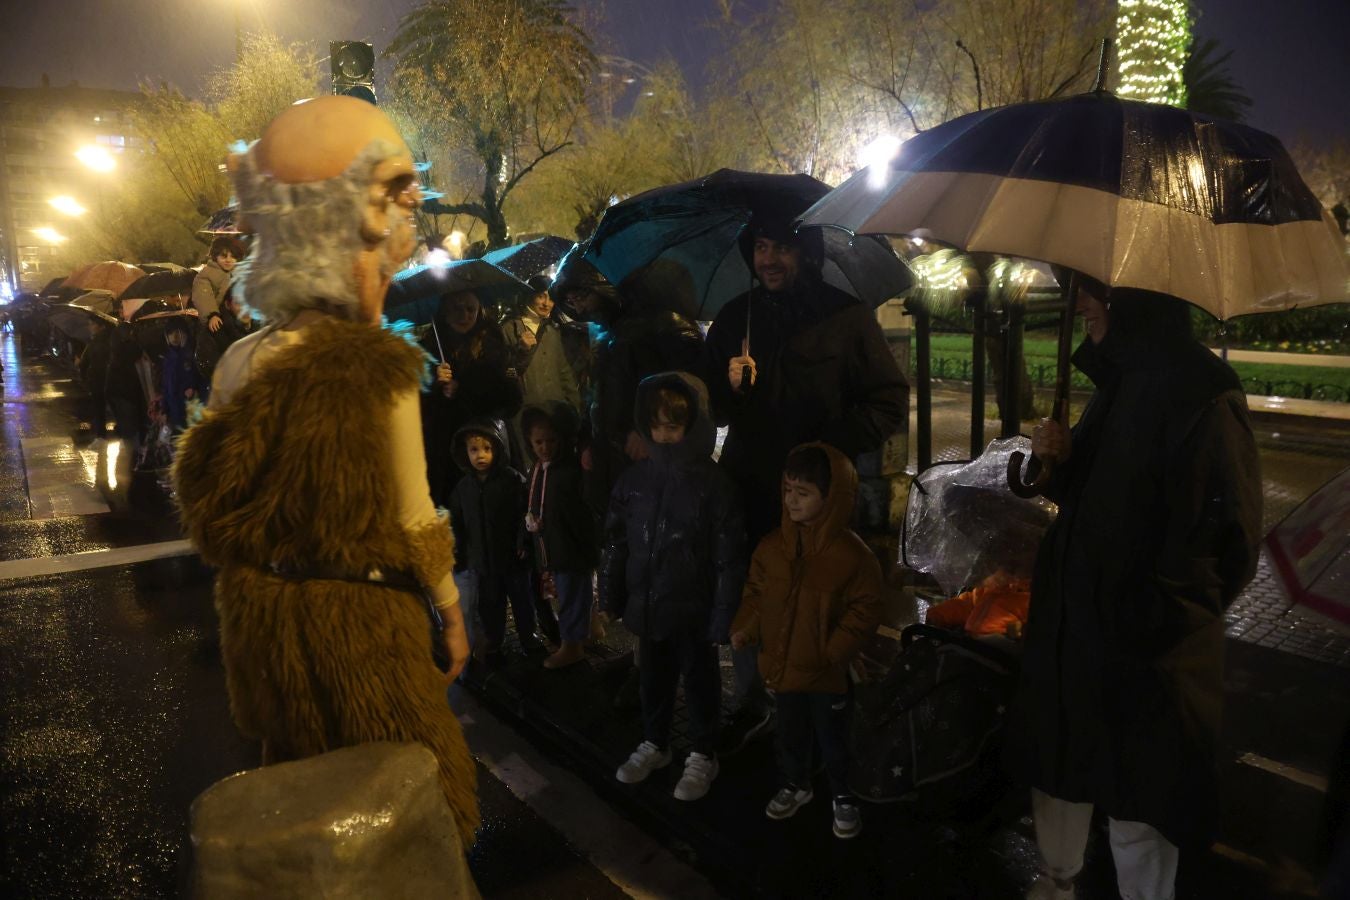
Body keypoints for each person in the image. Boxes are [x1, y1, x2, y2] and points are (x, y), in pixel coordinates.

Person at [171, 96, 480, 856]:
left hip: (265, 624)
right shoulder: (380, 369)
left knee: (303, 809)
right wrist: (449, 609)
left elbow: (214, 503)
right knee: (414, 816)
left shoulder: (243, 361)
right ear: (351, 232)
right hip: (362, 629)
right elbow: (414, 518)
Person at [1003, 276, 1262, 900]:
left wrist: (1158, 614)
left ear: (1140, 300)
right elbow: (1100, 501)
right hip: (1081, 631)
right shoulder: (1120, 382)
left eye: (1091, 290)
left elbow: (1232, 545)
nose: (1081, 302)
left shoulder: (1203, 394)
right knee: (1066, 770)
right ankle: (1058, 882)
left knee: (1140, 804)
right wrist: (1056, 465)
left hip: (1148, 652)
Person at [705, 217, 908, 753]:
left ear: (808, 251)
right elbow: (715, 411)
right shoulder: (734, 318)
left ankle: (819, 719)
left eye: (782, 247)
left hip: (818, 505)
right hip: (750, 492)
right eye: (762, 247)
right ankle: (754, 702)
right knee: (757, 596)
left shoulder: (846, 317)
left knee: (817, 606)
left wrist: (827, 452)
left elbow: (888, 400)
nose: (769, 259)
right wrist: (728, 390)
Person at [600, 372, 746, 802]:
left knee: (700, 681)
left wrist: (723, 615)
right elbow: (615, 540)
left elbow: (729, 557)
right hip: (648, 606)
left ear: (693, 424)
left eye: (673, 425)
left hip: (694, 609)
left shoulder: (714, 484)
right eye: (656, 424)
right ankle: (656, 742)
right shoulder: (633, 480)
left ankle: (703, 751)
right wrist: (609, 596)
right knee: (653, 678)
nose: (664, 434)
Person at [729, 443, 882, 840]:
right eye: (787, 490)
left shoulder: (852, 556)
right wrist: (746, 628)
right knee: (790, 730)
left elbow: (864, 611)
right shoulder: (772, 547)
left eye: (803, 492)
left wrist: (832, 652)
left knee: (835, 737)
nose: (791, 500)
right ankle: (796, 783)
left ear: (831, 498)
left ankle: (844, 794)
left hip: (829, 673)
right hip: (786, 666)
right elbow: (757, 595)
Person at [448, 418, 545, 662]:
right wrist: (459, 551)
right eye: (474, 449)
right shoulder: (463, 488)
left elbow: (524, 514)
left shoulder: (511, 480)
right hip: (482, 561)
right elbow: (457, 523)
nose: (480, 455)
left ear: (497, 449)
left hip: (513, 558)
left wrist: (523, 543)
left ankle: (528, 636)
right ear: (465, 453)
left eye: (487, 449)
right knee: (490, 604)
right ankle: (494, 639)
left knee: (522, 601)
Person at [421, 290, 523, 508]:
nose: (464, 315)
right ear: (444, 311)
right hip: (447, 448)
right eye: (456, 309)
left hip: (488, 439)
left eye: (470, 309)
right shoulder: (429, 346)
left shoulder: (493, 342)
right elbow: (418, 402)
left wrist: (464, 388)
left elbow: (511, 398)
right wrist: (434, 383)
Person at [521, 401, 598, 670]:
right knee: (570, 595)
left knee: (572, 597)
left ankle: (572, 646)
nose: (545, 447)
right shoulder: (537, 470)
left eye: (551, 440)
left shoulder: (570, 472)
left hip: (570, 549)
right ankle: (585, 632)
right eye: (538, 442)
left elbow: (582, 515)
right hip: (552, 548)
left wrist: (588, 550)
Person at [191, 236, 244, 333]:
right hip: (216, 320)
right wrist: (212, 314)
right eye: (224, 256)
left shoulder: (239, 273)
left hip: (236, 318)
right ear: (215, 256)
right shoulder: (206, 274)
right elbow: (203, 296)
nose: (228, 260)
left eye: (233, 256)